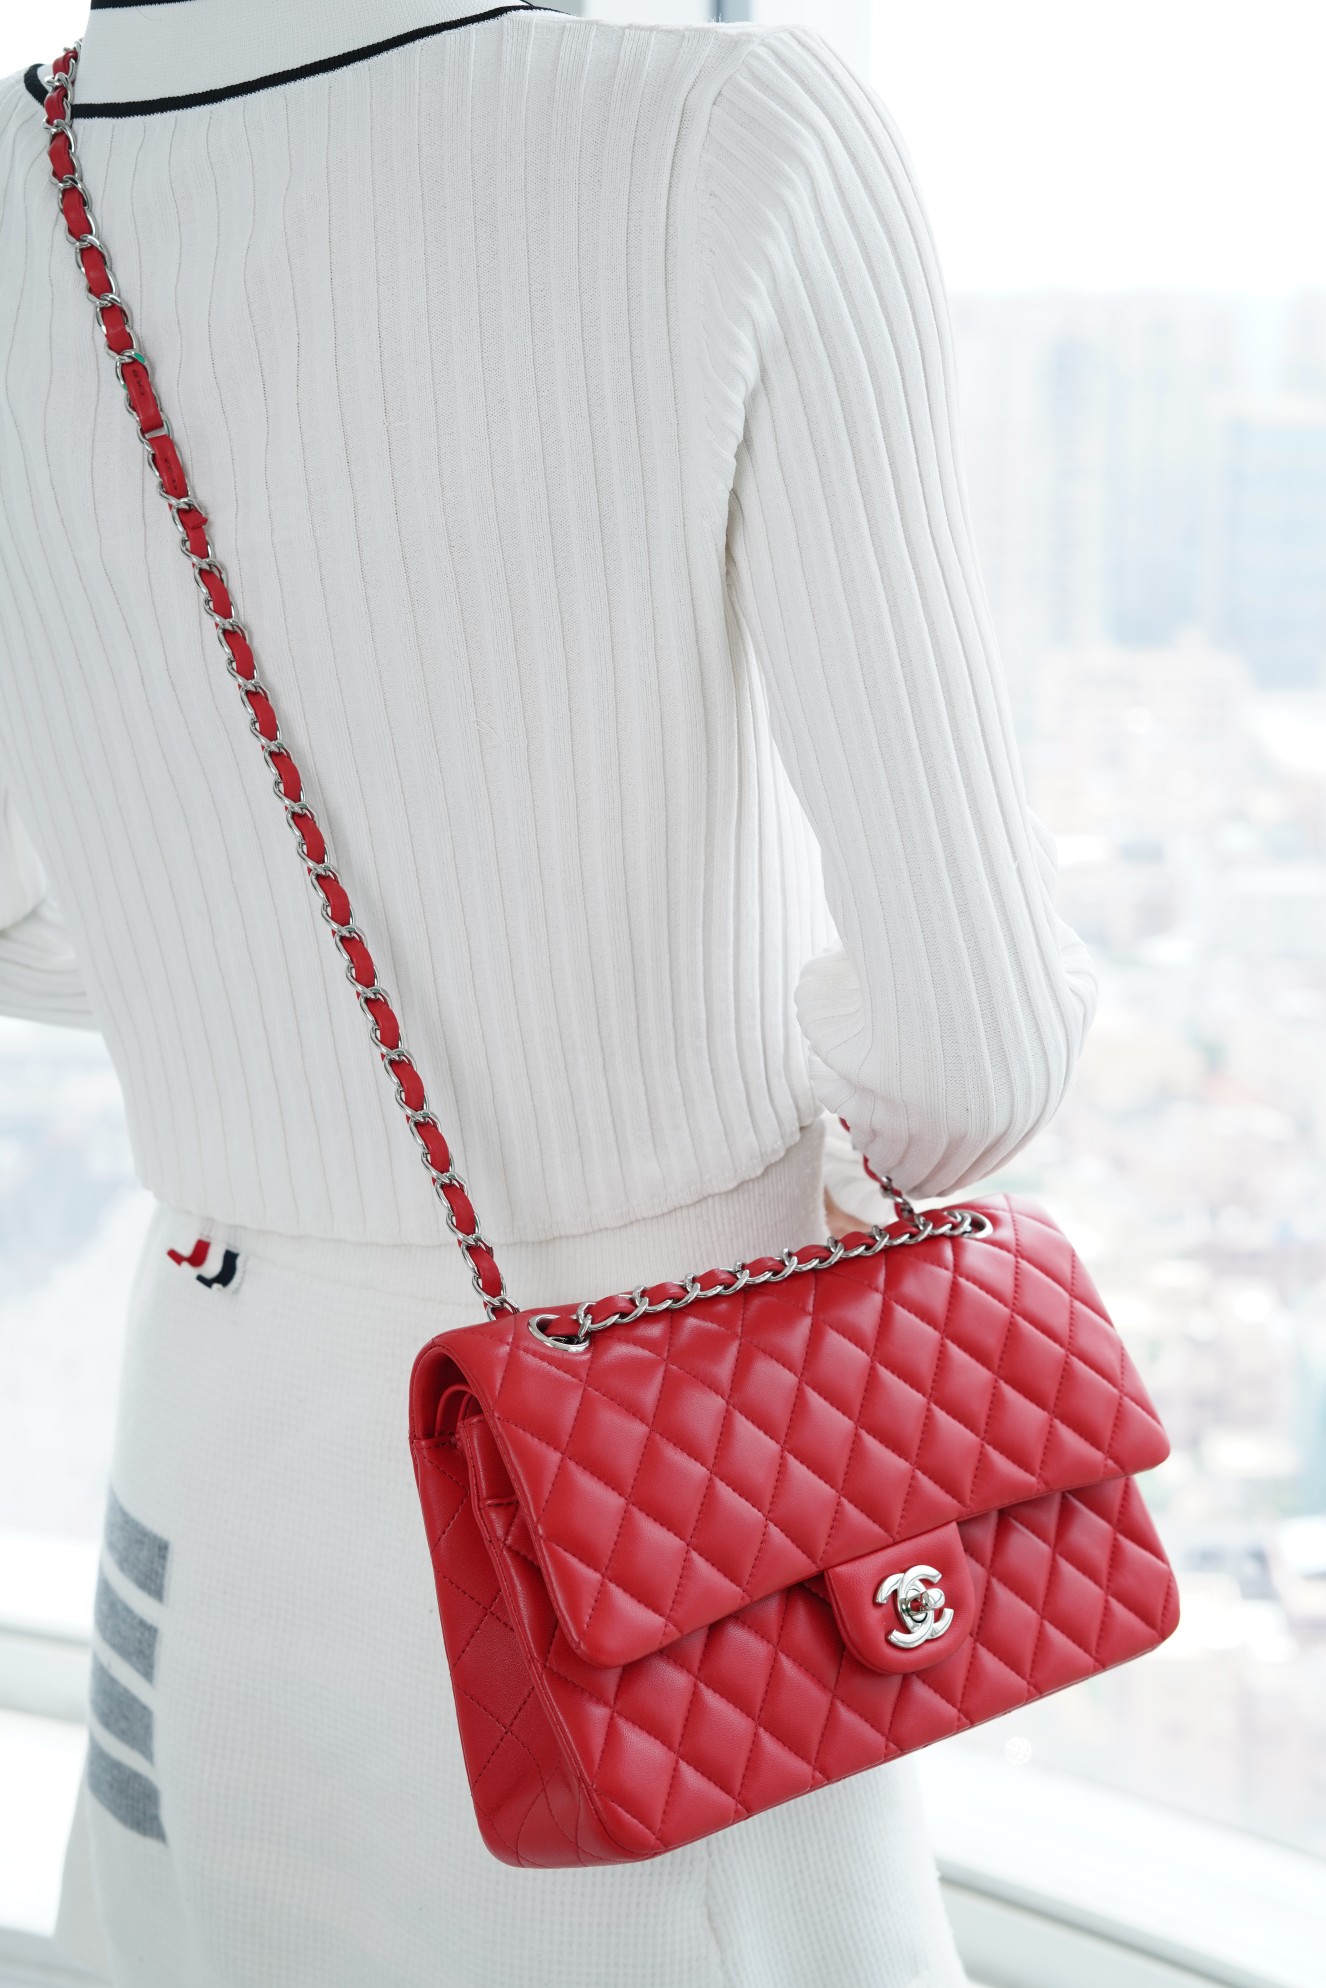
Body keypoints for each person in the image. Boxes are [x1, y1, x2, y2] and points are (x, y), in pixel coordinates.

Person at [0, 2, 1096, 1983]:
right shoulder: (723, 131)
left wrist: (259, 1055)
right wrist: (675, 1119)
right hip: (660, 1500)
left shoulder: (32, 183)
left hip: (207, 1473)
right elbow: (980, 1042)